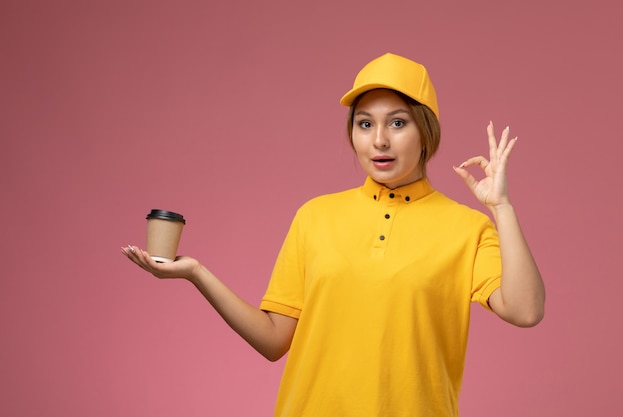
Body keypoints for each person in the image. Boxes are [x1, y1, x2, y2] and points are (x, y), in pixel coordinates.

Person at [122, 52, 545, 417]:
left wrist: (501, 208)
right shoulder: (315, 216)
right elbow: (273, 341)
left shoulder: (466, 228)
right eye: (365, 124)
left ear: (425, 133)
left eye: (397, 123)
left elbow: (525, 311)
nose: (379, 140)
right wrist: (197, 273)